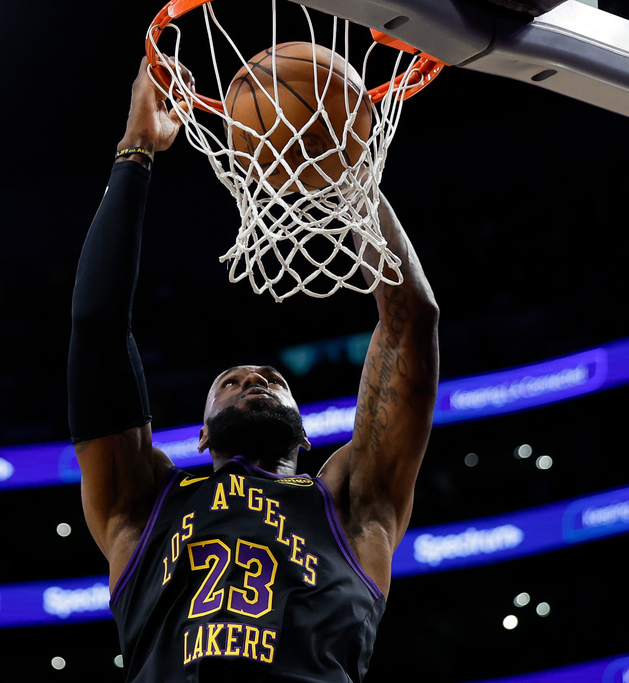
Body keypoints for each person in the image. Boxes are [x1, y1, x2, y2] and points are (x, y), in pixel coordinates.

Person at [68, 57, 439, 682]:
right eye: (230, 383)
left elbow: (411, 320)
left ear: (304, 431)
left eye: (270, 380)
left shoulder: (352, 503)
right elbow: (97, 331)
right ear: (203, 433)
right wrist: (135, 151)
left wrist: (350, 178)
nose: (251, 378)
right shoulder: (142, 503)